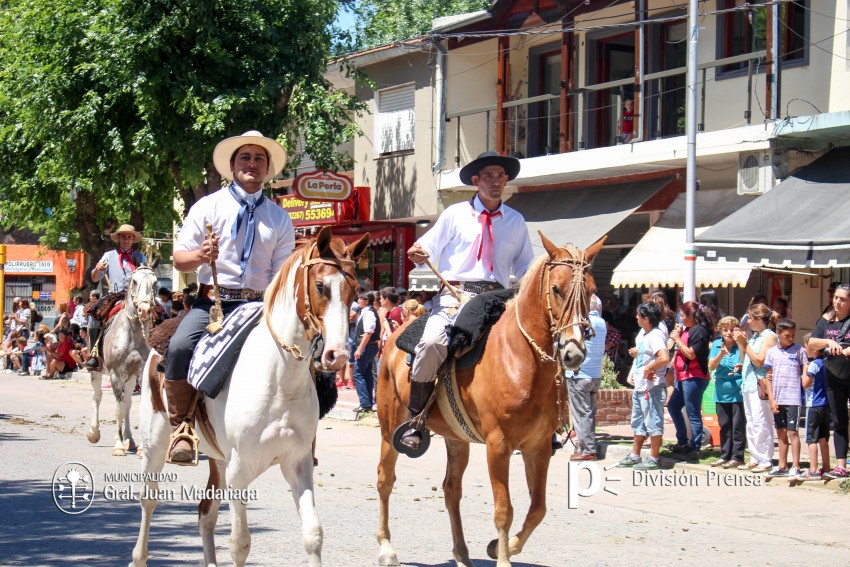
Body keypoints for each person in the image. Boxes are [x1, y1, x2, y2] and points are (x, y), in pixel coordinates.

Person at [165, 130, 295, 464]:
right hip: (213, 305)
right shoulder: (207, 207)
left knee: (304, 352)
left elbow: (282, 273)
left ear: (267, 169)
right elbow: (179, 258)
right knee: (179, 346)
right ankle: (182, 428)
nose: (252, 164)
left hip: (259, 305)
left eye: (259, 159)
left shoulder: (280, 218)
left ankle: (302, 434)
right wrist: (200, 256)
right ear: (233, 166)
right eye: (245, 158)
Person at [401, 151, 534, 450]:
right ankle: (416, 420)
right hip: (456, 296)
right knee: (432, 343)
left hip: (499, 299)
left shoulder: (515, 221)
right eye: (489, 176)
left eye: (501, 175)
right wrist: (418, 252)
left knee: (536, 344)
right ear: (475, 181)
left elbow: (525, 267)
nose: (496, 181)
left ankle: (540, 420)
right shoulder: (455, 214)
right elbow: (426, 249)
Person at [617, 302, 669, 471]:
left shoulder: (656, 335)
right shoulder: (646, 335)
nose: (636, 317)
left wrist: (649, 368)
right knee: (638, 422)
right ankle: (635, 455)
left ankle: (654, 457)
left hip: (652, 387)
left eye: (639, 315)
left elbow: (664, 357)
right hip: (641, 386)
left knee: (653, 421)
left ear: (646, 319)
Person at [808, 282, 850, 479]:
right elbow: (812, 342)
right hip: (833, 376)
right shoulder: (826, 321)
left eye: (843, 299)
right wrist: (829, 341)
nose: (838, 302)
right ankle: (841, 466)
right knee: (839, 421)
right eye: (836, 298)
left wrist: (846, 350)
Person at [733, 303, 778, 473]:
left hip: (760, 384)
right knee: (751, 422)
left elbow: (760, 360)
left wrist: (745, 344)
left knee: (761, 421)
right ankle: (755, 455)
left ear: (759, 319)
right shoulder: (755, 336)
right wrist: (741, 343)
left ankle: (765, 458)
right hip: (749, 382)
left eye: (750, 318)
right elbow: (747, 357)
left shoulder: (770, 337)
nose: (748, 321)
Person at [667, 301, 714, 459]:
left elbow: (691, 354)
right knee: (673, 407)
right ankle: (682, 442)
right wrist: (676, 337)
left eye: (683, 315)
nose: (681, 318)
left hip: (694, 376)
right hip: (682, 377)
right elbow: (671, 347)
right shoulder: (686, 330)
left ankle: (695, 447)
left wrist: (677, 340)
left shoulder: (699, 331)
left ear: (692, 316)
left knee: (693, 411)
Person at [566, 294, 607, 461]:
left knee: (582, 413)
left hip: (579, 373)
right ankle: (586, 446)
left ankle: (588, 450)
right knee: (589, 413)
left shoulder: (581, 322)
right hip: (594, 373)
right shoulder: (602, 323)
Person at [762, 318, 805, 478]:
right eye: (788, 335)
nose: (791, 338)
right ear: (778, 334)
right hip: (778, 398)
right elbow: (768, 377)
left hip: (793, 398)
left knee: (793, 432)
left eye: (793, 335)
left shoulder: (799, 351)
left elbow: (804, 371)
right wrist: (772, 399)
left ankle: (796, 466)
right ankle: (782, 465)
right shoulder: (771, 352)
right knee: (781, 432)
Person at [707, 316, 746, 469]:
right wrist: (721, 354)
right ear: (720, 331)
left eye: (731, 330)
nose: (729, 333)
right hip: (721, 391)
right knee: (724, 425)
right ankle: (725, 455)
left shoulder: (740, 344)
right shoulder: (717, 344)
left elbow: (745, 362)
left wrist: (740, 366)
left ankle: (737, 456)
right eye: (725, 330)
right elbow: (711, 365)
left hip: (737, 390)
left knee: (737, 425)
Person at [801, 333, 831, 480]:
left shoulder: (813, 364)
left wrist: (803, 372)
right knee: (823, 437)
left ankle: (813, 469)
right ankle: (826, 468)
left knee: (811, 438)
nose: (805, 350)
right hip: (825, 405)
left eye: (806, 347)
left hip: (813, 404)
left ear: (813, 348)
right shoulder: (826, 362)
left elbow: (805, 384)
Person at [91, 224, 149, 293]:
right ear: (119, 238)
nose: (126, 241)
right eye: (123, 237)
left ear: (133, 239)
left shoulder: (141, 258)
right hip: (114, 296)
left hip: (134, 297)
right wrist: (97, 270)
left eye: (129, 237)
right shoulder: (108, 255)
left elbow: (146, 279)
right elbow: (94, 279)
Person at [352, 291, 380, 413]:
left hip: (367, 346)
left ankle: (364, 403)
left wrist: (359, 349)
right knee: (367, 374)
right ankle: (367, 402)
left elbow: (368, 332)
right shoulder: (366, 312)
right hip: (369, 346)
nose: (358, 300)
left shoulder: (368, 313)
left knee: (358, 374)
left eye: (361, 299)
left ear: (367, 301)